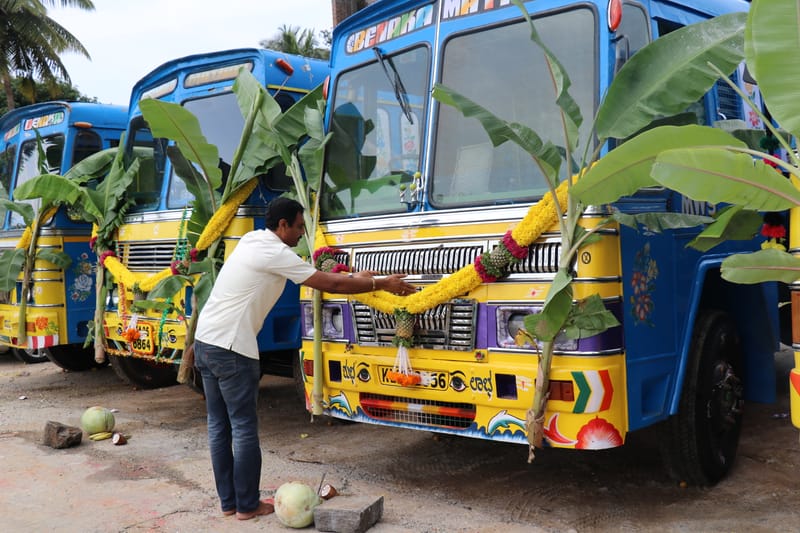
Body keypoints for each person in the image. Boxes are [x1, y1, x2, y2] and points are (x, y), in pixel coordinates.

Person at [194, 197, 415, 520]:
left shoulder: (253, 240)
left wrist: (358, 275)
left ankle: (229, 503)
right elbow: (329, 283)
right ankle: (247, 505)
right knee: (242, 427)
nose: (301, 233)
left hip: (205, 342)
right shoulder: (273, 252)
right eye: (298, 227)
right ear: (282, 226)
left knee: (218, 426)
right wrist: (381, 283)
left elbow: (322, 272)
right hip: (232, 348)